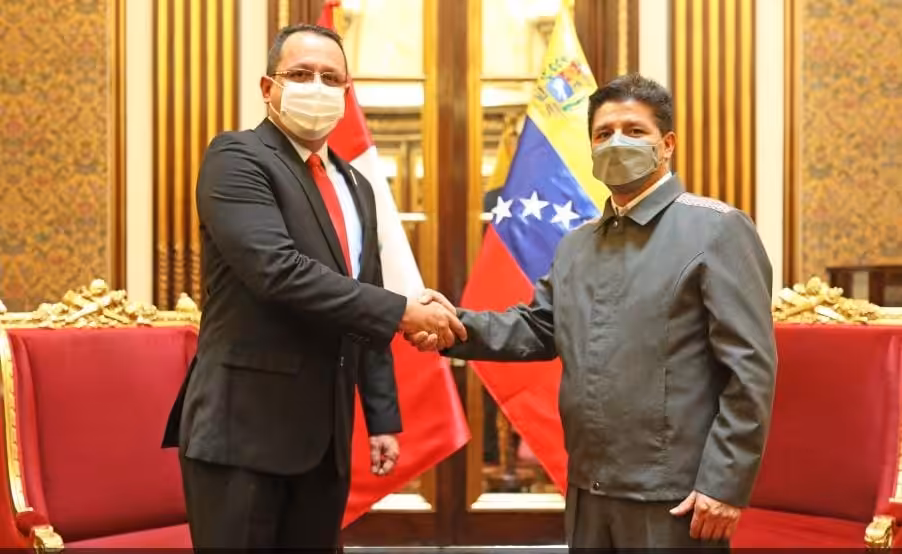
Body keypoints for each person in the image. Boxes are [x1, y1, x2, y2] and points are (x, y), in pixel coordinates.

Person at [409, 73, 777, 549]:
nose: (617, 142)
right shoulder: (577, 245)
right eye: (603, 134)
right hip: (589, 484)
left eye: (634, 130)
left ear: (667, 145)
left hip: (677, 493)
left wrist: (724, 484)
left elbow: (750, 370)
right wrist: (453, 325)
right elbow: (538, 329)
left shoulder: (717, 230)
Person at [161, 23, 465, 550]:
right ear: (267, 88)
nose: (317, 87)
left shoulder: (357, 185)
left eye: (331, 78)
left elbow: (360, 300)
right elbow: (277, 271)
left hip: (326, 437)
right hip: (244, 433)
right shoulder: (237, 158)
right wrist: (403, 311)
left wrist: (382, 416)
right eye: (300, 74)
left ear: (347, 94)